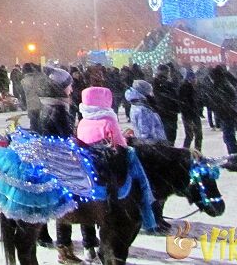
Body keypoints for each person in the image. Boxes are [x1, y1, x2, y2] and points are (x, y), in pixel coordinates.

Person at [76, 85, 160, 243]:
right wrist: (125, 139)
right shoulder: (108, 120)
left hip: (89, 163)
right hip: (109, 164)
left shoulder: (82, 121)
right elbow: (119, 145)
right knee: (139, 173)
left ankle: (89, 241)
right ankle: (149, 215)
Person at [35, 67, 91, 262]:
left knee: (65, 206)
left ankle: (69, 245)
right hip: (61, 164)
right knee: (66, 205)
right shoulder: (58, 109)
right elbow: (63, 139)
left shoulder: (51, 106)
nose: (72, 88)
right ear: (61, 89)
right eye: (69, 85)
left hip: (55, 161)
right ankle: (65, 249)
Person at [206, 65, 237, 172]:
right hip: (226, 114)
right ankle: (233, 160)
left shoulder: (223, 85)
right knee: (228, 139)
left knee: (230, 139)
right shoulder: (223, 84)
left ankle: (235, 161)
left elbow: (224, 101)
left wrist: (218, 106)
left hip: (227, 115)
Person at [152, 64, 180, 145]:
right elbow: (172, 98)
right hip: (167, 114)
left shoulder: (156, 83)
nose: (169, 74)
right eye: (168, 72)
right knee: (169, 138)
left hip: (164, 114)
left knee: (167, 137)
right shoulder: (162, 84)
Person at [178, 68, 203, 152]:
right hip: (189, 115)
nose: (196, 80)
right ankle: (188, 152)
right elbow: (185, 103)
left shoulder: (191, 87)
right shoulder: (186, 87)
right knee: (192, 135)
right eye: (194, 78)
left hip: (192, 114)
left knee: (194, 135)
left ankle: (195, 152)